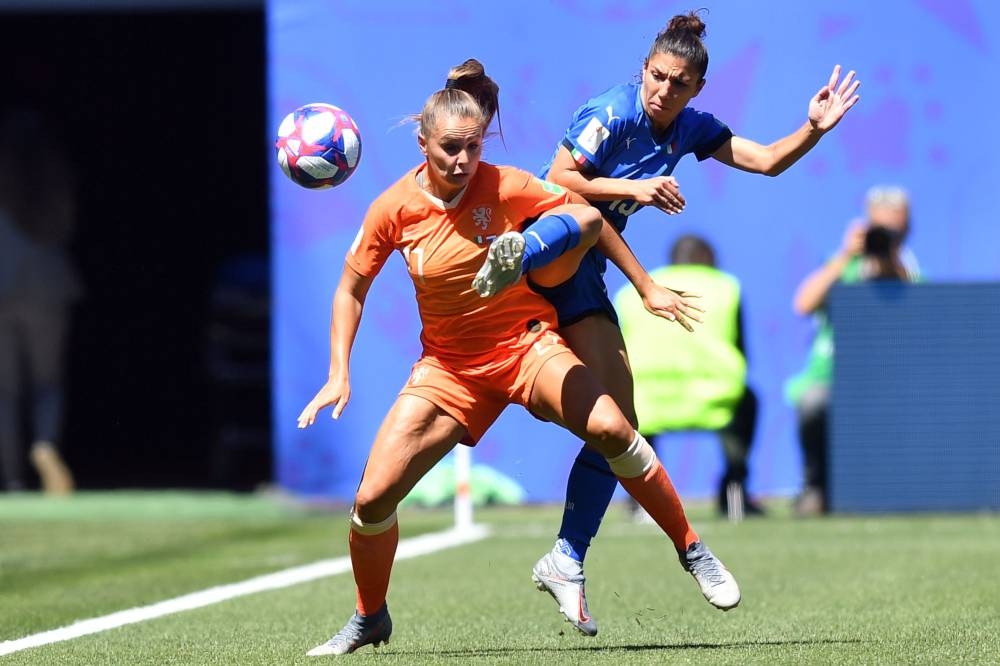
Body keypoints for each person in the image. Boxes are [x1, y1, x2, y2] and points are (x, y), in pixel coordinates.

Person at [296, 59, 739, 656]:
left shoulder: (502, 183)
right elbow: (352, 287)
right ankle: (370, 616)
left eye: (473, 147)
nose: (463, 161)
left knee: (613, 426)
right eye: (451, 148)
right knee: (372, 501)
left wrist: (646, 287)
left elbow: (588, 220)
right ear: (421, 142)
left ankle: (692, 549)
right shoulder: (393, 208)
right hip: (450, 369)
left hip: (526, 345)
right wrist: (338, 371)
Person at [530, 10, 861, 634]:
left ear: (696, 90)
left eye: (678, 83)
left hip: (585, 274)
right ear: (643, 71)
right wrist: (645, 235)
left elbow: (764, 160)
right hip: (549, 254)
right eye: (657, 76)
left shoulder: (689, 129)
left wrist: (812, 129)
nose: (664, 90)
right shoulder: (613, 112)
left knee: (618, 427)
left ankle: (567, 558)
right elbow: (558, 180)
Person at [786, 185, 919, 516]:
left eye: (894, 232)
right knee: (812, 402)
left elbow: (922, 315)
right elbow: (803, 304)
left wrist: (893, 265)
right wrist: (847, 255)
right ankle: (816, 487)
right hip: (832, 377)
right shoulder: (842, 266)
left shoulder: (910, 271)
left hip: (891, 380)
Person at [614, 234, 763, 520]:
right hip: (714, 401)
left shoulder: (631, 292)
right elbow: (741, 350)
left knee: (625, 408)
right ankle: (735, 493)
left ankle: (641, 499)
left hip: (646, 403)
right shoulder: (726, 287)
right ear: (708, 260)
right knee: (749, 400)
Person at [0, 108, 78, 494]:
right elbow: (64, 224)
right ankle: (45, 444)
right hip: (47, 288)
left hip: (3, 288)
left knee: (6, 391)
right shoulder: (52, 180)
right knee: (47, 383)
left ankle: (14, 478)